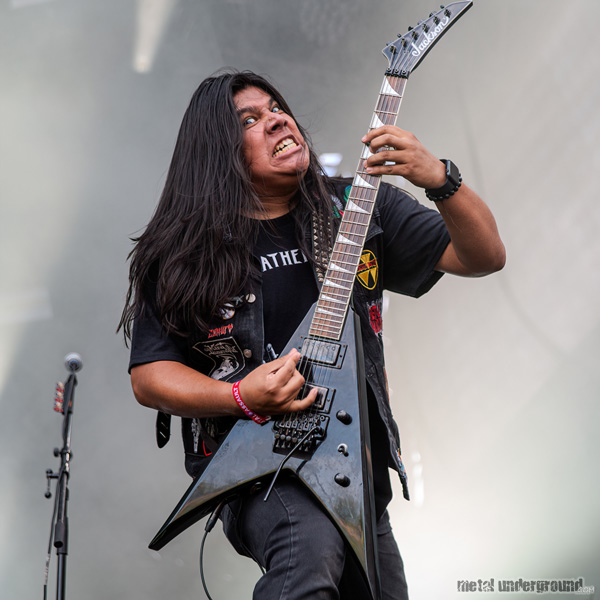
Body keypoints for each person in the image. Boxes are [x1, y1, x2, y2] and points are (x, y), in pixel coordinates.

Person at [119, 70, 505, 600]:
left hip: (354, 474)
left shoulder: (358, 209)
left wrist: (441, 179)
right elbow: (150, 375)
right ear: (218, 151)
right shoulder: (186, 252)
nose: (277, 119)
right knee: (309, 546)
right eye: (249, 120)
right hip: (261, 473)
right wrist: (239, 396)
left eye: (277, 107)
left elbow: (484, 257)